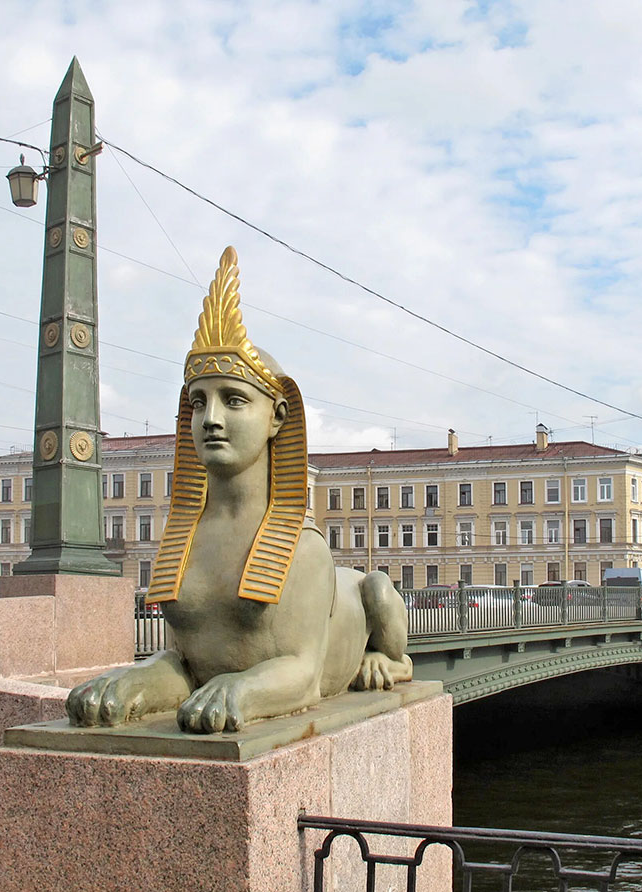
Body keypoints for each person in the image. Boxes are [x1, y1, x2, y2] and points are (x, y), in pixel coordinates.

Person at [67, 247, 412, 734]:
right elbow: (188, 667)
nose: (210, 419)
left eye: (233, 400)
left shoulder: (303, 548)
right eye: (198, 402)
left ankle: (397, 660)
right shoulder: (186, 537)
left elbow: (303, 676)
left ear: (277, 417)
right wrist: (135, 681)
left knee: (376, 587)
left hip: (327, 651)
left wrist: (243, 690)